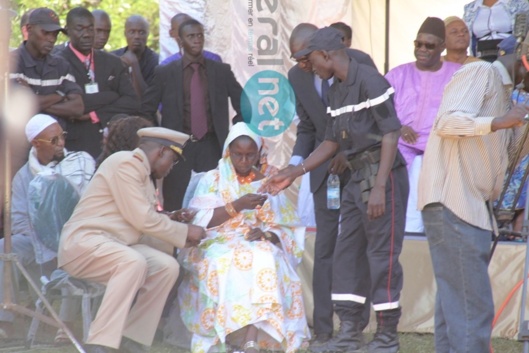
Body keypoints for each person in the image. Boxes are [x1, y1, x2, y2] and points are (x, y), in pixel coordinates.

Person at [263, 27, 408, 353]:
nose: (309, 66)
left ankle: (386, 337)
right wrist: (294, 172)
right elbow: (329, 140)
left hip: (380, 176)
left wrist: (380, 187)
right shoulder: (338, 89)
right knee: (346, 254)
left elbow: (390, 133)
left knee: (381, 255)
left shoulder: (370, 80)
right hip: (355, 179)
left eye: (311, 59)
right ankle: (350, 332)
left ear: (327, 55)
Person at [58, 127, 206, 353]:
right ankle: (100, 343)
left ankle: (133, 340)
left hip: (112, 245)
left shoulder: (143, 175)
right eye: (173, 160)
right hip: (84, 243)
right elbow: (142, 219)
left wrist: (169, 218)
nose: (171, 168)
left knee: (166, 267)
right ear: (161, 152)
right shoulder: (126, 163)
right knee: (132, 261)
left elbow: (134, 216)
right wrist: (185, 232)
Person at [418, 52, 529, 351]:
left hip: (472, 208)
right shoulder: (481, 73)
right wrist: (499, 121)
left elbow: (506, 155)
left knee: (455, 311)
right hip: (455, 203)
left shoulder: (506, 94)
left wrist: (514, 125)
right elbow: (447, 122)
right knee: (472, 311)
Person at [176, 122, 309, 353]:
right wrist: (237, 206)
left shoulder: (268, 182)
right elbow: (199, 221)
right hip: (215, 240)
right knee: (223, 262)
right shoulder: (213, 179)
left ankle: (251, 338)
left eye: (250, 155)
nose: (244, 161)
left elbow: (287, 226)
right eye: (238, 155)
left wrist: (267, 234)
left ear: (259, 153)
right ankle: (226, 335)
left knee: (267, 257)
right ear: (229, 152)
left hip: (254, 241)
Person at [287, 23, 376, 348]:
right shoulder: (296, 76)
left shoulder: (359, 62)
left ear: (321, 50)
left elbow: (373, 120)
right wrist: (296, 165)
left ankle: (355, 327)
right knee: (324, 250)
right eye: (295, 58)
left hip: (363, 169)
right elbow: (308, 127)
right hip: (324, 173)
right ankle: (323, 328)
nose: (300, 64)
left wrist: (347, 151)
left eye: (303, 57)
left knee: (360, 249)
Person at [0, 114, 94, 341]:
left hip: (77, 238)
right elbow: (20, 221)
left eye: (63, 136)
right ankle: (6, 318)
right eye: (54, 140)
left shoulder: (80, 163)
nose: (61, 143)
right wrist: (46, 235)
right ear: (36, 143)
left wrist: (61, 235)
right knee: (4, 248)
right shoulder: (23, 177)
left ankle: (64, 324)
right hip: (36, 240)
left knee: (69, 249)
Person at [141, 18, 245, 212]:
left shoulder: (220, 71)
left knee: (215, 202)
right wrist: (160, 140)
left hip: (213, 146)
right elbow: (146, 109)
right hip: (178, 150)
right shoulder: (165, 73)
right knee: (176, 203)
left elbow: (244, 105)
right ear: (180, 41)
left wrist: (234, 135)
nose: (197, 40)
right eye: (191, 36)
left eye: (200, 36)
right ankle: (177, 243)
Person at [58, 7, 139, 159]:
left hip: (111, 149)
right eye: (80, 29)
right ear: (68, 30)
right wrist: (111, 95)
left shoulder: (112, 62)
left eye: (90, 29)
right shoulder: (58, 62)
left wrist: (95, 114)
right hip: (76, 148)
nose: (87, 34)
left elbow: (132, 101)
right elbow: (71, 105)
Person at [463, 0, 529, 62]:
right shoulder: (470, 8)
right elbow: (470, 39)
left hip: (511, 54)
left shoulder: (519, 3)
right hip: (482, 56)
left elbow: (524, 31)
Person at [112, 15, 158, 98]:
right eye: (132, 32)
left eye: (141, 32)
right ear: (125, 34)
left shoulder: (156, 61)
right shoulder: (114, 57)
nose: (137, 36)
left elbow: (147, 99)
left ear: (147, 34)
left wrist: (134, 65)